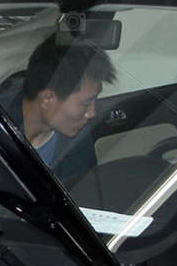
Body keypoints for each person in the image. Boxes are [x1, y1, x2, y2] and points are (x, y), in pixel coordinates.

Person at [17, 33, 116, 185]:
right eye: (85, 104)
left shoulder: (78, 140)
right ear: (47, 99)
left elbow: (81, 195)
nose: (92, 113)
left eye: (95, 100)